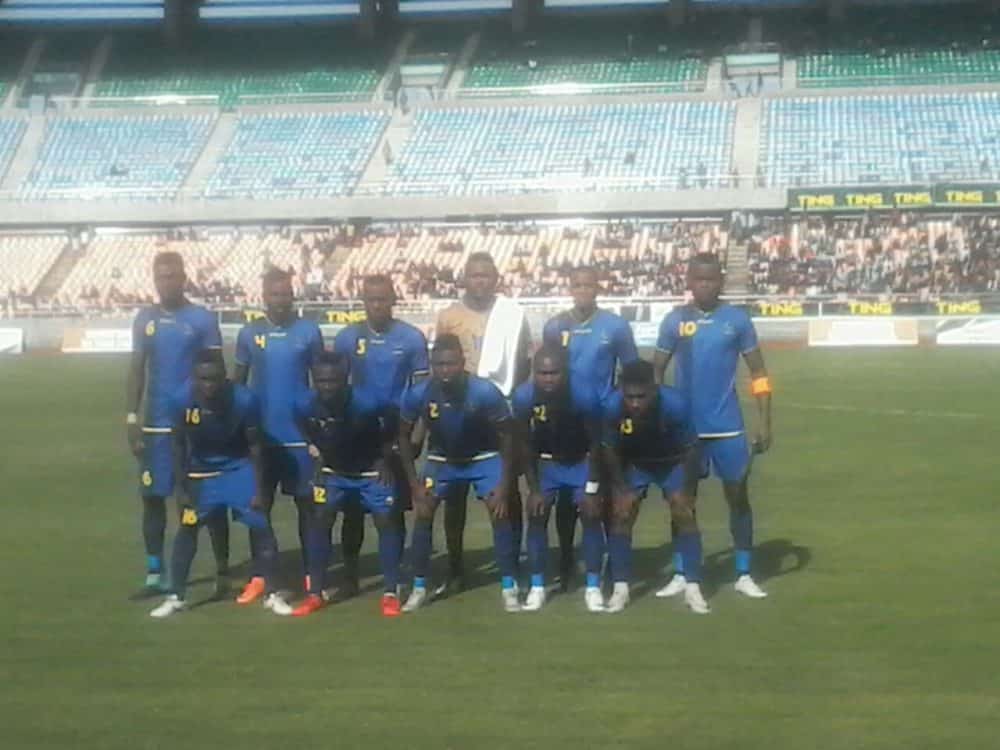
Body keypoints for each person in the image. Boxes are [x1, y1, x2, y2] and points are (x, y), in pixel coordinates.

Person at [654, 253, 773, 600]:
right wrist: (661, 414)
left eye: (711, 280)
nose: (705, 285)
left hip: (727, 428)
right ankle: (682, 571)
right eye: (699, 279)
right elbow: (656, 369)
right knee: (682, 501)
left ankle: (744, 572)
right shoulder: (675, 320)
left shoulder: (736, 320)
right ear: (689, 282)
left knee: (737, 497)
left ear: (720, 282)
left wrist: (765, 420)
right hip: (686, 431)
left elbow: (758, 372)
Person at [150, 351, 292, 618]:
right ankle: (176, 596)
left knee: (261, 526)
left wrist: (259, 489)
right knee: (187, 529)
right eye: (203, 379)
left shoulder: (245, 400)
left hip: (238, 467)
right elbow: (178, 446)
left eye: (215, 378)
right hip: (202, 472)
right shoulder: (180, 400)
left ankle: (273, 593)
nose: (209, 385)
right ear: (193, 378)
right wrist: (181, 489)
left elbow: (255, 446)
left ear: (224, 377)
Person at [126, 251, 228, 596]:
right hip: (156, 425)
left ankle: (222, 572)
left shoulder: (201, 319)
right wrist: (131, 417)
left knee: (207, 497)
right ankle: (154, 572)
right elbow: (137, 368)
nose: (166, 283)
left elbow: (217, 370)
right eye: (161, 277)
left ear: (184, 279)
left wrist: (215, 418)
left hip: (195, 423)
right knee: (153, 498)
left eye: (172, 276)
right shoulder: (145, 319)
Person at [396, 334, 519, 613]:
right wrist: (414, 485)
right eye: (439, 364)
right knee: (424, 511)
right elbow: (402, 435)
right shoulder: (419, 393)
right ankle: (419, 587)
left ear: (463, 363)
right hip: (442, 460)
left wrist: (504, 485)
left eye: (450, 364)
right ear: (432, 365)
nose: (445, 370)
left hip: (482, 457)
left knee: (499, 511)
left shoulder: (485, 392)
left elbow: (508, 435)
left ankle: (509, 585)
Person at [434, 253, 530, 596]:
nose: (480, 281)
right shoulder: (449, 317)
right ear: (464, 278)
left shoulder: (511, 314)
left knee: (507, 490)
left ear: (496, 279)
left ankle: (511, 563)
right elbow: (440, 364)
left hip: (498, 412)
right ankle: (455, 567)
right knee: (454, 495)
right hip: (458, 413)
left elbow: (522, 362)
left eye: (486, 276)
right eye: (475, 275)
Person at [543, 266, 638, 589]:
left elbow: (631, 372)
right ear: (570, 288)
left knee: (605, 492)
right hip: (566, 421)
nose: (582, 290)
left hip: (604, 421)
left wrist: (619, 407)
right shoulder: (555, 326)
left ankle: (610, 558)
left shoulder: (615, 326)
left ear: (597, 288)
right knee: (567, 497)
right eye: (577, 285)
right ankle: (566, 560)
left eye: (588, 285)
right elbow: (546, 372)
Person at [333, 275, 429, 596]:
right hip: (357, 434)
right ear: (363, 301)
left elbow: (423, 391)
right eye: (371, 299)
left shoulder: (411, 338)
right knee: (352, 510)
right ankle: (350, 574)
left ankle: (395, 572)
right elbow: (336, 388)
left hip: (396, 433)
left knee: (393, 507)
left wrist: (417, 435)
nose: (377, 305)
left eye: (383, 299)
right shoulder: (347, 338)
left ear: (393, 300)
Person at [234, 268, 324, 604]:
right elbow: (238, 384)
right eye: (275, 294)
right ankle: (261, 575)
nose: (281, 301)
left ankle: (311, 573)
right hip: (262, 438)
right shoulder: (249, 333)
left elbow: (322, 380)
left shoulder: (309, 331)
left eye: (286, 294)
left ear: (293, 296)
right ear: (264, 297)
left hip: (299, 437)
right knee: (259, 507)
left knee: (307, 508)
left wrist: (319, 430)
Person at [291, 353, 404, 618]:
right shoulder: (303, 403)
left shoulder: (368, 402)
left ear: (345, 379)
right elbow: (303, 425)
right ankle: (315, 593)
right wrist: (314, 447)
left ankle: (390, 592)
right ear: (314, 380)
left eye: (333, 381)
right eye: (321, 381)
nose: (327, 387)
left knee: (385, 520)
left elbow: (394, 420)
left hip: (370, 471)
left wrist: (384, 457)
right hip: (334, 471)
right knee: (320, 520)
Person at [602, 360, 708, 614]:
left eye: (641, 397)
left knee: (684, 513)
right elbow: (609, 449)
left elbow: (692, 449)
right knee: (621, 514)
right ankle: (620, 588)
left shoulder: (676, 404)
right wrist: (621, 489)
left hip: (672, 461)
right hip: (637, 463)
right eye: (630, 397)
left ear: (654, 389)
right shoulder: (611, 407)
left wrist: (687, 490)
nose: (635, 404)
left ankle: (693, 587)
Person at [512, 345, 605, 613]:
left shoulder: (585, 394)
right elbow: (524, 443)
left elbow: (597, 443)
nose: (548, 379)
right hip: (547, 462)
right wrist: (533, 489)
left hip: (581, 461)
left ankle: (593, 586)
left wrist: (592, 488)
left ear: (565, 372)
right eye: (542, 373)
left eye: (554, 373)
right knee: (537, 514)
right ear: (534, 373)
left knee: (591, 515)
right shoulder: (523, 396)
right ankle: (538, 586)